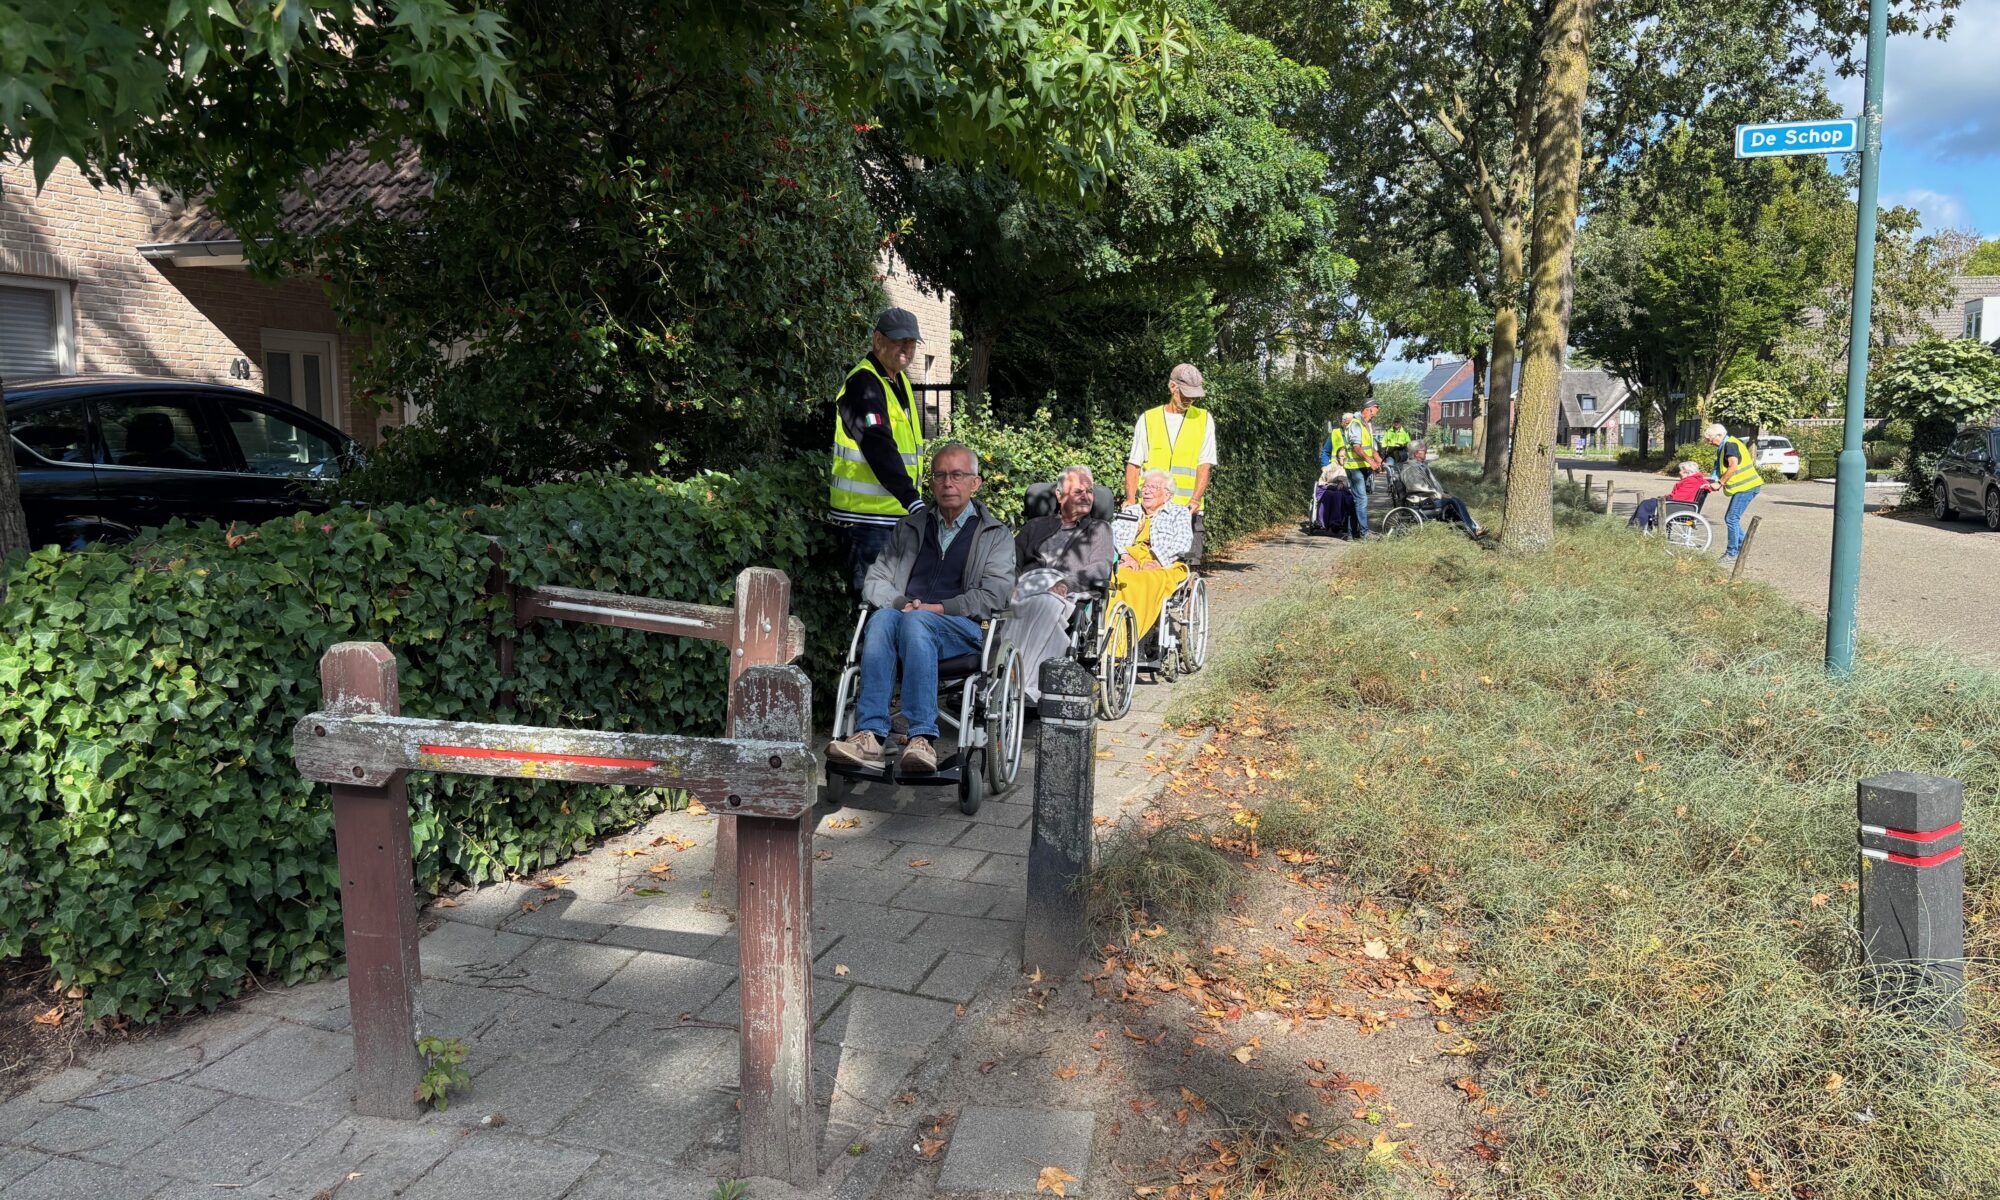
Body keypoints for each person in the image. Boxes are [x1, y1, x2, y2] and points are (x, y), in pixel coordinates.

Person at [826, 443, 1014, 774]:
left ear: (975, 483)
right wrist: (902, 604)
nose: (948, 483)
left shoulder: (994, 535)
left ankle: (922, 737)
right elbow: (876, 580)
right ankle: (870, 735)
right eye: (940, 475)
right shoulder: (909, 527)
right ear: (931, 483)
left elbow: (995, 594)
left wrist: (938, 608)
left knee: (916, 622)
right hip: (907, 620)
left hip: (963, 628)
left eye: (957, 475)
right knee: (883, 617)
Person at [830, 308, 926, 592]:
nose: (906, 348)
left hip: (891, 517)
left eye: (911, 342)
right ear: (878, 340)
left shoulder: (897, 380)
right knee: (874, 604)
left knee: (893, 603)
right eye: (899, 340)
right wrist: (911, 499)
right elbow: (877, 444)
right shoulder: (864, 383)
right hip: (867, 521)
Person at [1012, 466, 1115, 705]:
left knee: (1043, 604)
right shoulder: (1034, 526)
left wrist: (1067, 583)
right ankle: (998, 679)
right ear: (1059, 496)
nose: (1086, 496)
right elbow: (1011, 561)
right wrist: (1011, 584)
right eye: (1078, 491)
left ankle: (1029, 686)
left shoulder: (1099, 529)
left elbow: (1101, 566)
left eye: (1089, 491)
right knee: (1001, 607)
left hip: (1068, 592)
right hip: (1028, 585)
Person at [1126, 363, 1215, 564]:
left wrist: (1195, 500)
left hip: (1187, 511)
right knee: (1147, 563)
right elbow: (1134, 464)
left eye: (1194, 396)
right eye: (1186, 394)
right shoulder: (1148, 419)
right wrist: (1131, 500)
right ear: (1172, 387)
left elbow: (1204, 465)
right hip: (1151, 511)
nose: (1190, 400)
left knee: (1188, 562)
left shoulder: (1204, 419)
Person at [1112, 471, 1194, 641]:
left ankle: (1139, 634)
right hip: (1129, 559)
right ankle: (1115, 631)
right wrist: (1126, 556)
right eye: (1145, 487)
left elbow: (1183, 542)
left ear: (1167, 495)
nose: (1146, 491)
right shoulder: (1130, 512)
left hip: (1164, 564)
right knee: (1116, 578)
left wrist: (1158, 560)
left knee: (1145, 580)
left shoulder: (1179, 513)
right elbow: (1111, 534)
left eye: (1153, 487)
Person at [1396, 443, 1486, 537]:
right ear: (1416, 453)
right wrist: (1439, 495)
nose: (1426, 452)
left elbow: (1432, 484)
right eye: (1424, 450)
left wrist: (1441, 493)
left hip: (1428, 498)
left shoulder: (1419, 465)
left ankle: (1472, 529)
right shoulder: (1410, 468)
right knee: (1454, 501)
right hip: (1421, 500)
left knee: (1454, 500)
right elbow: (1415, 487)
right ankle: (1473, 530)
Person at [1703, 423, 1763, 562]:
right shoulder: (1728, 444)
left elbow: (1733, 466)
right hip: (1745, 487)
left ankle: (1731, 553)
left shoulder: (1730, 445)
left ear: (1719, 435)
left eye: (1710, 439)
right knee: (1732, 518)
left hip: (1746, 487)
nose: (1709, 443)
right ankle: (1742, 548)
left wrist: (1720, 483)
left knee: (1731, 518)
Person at [1337, 399, 1383, 534]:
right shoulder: (1356, 424)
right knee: (1362, 500)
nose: (1375, 415)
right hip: (1354, 467)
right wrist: (1371, 462)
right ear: (1368, 409)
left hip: (1362, 466)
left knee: (1357, 500)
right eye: (1374, 411)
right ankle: (1364, 533)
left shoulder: (1366, 424)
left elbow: (1369, 447)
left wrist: (1378, 458)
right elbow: (1356, 447)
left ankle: (1352, 532)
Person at [1627, 462, 1709, 530]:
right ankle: (1644, 525)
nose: (1679, 473)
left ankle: (1638, 527)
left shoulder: (1690, 481)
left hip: (1678, 506)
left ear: (1686, 472)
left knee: (1646, 504)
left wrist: (1667, 497)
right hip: (1682, 505)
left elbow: (1678, 497)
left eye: (1680, 470)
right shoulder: (1698, 480)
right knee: (1649, 503)